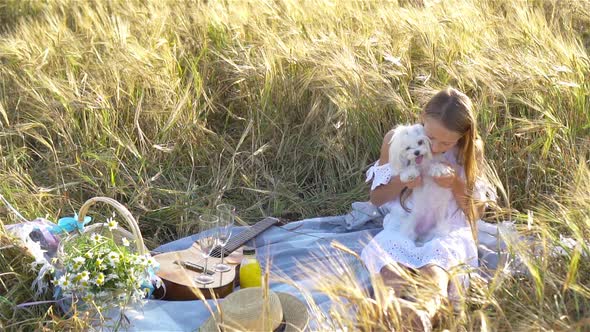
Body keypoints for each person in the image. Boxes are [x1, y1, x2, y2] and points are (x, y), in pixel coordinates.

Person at [360, 87, 494, 330]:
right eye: (430, 137)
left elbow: (475, 213)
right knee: (389, 266)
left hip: (448, 227)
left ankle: (423, 313)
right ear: (423, 118)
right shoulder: (398, 140)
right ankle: (384, 310)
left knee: (436, 269)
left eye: (446, 142)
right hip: (406, 223)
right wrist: (402, 180)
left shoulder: (469, 151)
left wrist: (455, 184)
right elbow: (377, 198)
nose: (434, 147)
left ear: (462, 137)